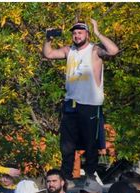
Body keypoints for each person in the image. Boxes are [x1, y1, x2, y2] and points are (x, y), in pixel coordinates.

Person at [42, 19, 119, 182]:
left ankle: (90, 177)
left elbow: (113, 50)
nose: (77, 36)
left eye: (80, 32)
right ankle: (66, 178)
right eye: (74, 33)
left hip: (90, 105)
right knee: (67, 146)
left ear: (87, 35)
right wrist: (48, 39)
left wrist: (98, 32)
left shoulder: (94, 50)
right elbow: (48, 54)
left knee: (91, 144)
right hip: (71, 104)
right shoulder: (69, 50)